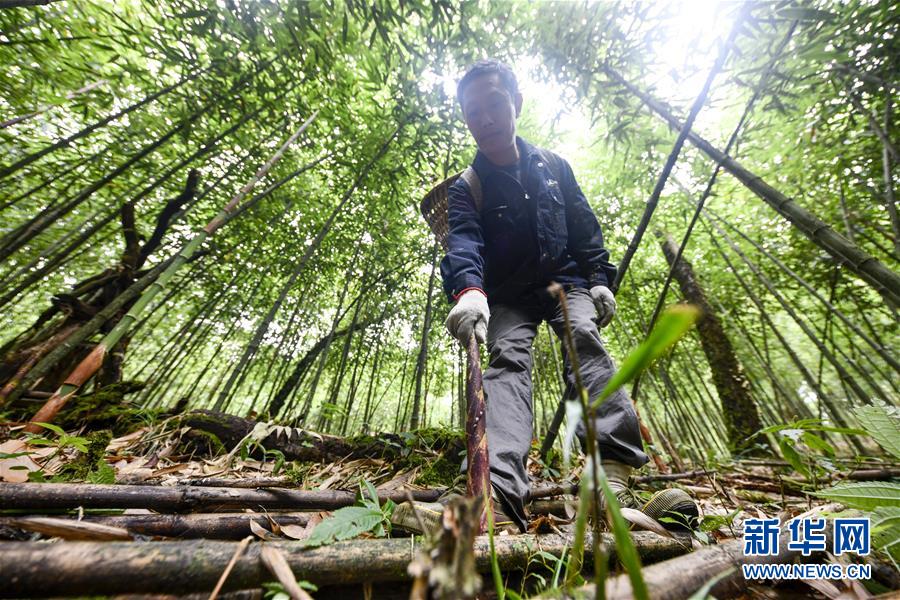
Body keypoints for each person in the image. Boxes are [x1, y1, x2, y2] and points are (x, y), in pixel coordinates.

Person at [438, 59, 649, 533]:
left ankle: (613, 476)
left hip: (564, 283)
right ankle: (499, 491)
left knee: (582, 338)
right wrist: (469, 292)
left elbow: (583, 228)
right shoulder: (464, 188)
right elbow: (464, 242)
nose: (486, 119)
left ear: (516, 102)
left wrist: (599, 278)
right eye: (474, 112)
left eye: (494, 104)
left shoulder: (554, 168)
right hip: (506, 295)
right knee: (508, 359)